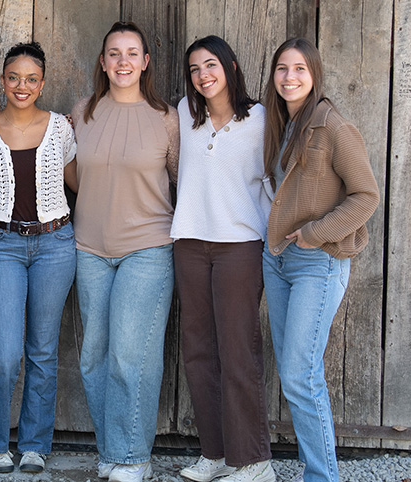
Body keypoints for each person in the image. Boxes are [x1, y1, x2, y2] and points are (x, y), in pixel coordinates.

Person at [64, 21, 179, 482]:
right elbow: (73, 175)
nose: (123, 61)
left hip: (147, 248)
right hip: (89, 247)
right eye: (114, 53)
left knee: (130, 355)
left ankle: (134, 458)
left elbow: (182, 178)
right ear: (103, 61)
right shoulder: (83, 112)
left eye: (132, 53)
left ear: (146, 61)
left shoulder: (166, 118)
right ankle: (113, 450)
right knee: (93, 355)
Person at [262, 38, 378, 482]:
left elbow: (366, 196)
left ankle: (322, 477)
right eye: (281, 69)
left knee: (298, 374)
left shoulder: (332, 125)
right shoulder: (282, 124)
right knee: (297, 374)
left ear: (314, 75)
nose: (289, 77)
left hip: (319, 261)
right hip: (278, 261)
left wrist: (314, 233)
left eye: (299, 70)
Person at [170, 35, 275, 482]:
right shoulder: (183, 114)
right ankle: (214, 455)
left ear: (231, 66)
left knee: (237, 353)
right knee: (196, 352)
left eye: (210, 65)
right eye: (194, 69)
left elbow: (274, 180)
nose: (202, 75)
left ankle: (254, 462)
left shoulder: (260, 119)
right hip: (190, 242)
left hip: (240, 246)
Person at [0, 41, 76, 475]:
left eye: (31, 79)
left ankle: (35, 444)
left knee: (42, 349)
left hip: (55, 245)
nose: (22, 86)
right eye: (14, 77)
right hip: (2, 245)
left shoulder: (60, 128)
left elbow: (78, 181)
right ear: (2, 80)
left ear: (42, 84)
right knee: (4, 352)